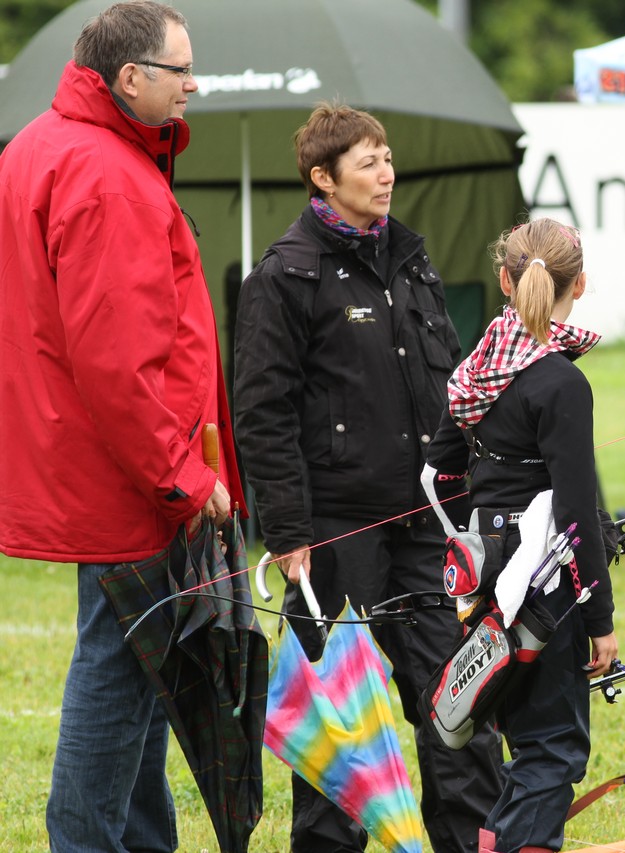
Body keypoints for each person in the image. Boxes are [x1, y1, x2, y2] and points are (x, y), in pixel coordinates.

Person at [0, 2, 242, 850]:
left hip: (87, 462)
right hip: (128, 473)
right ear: (130, 77)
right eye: (181, 72)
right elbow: (117, 361)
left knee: (140, 668)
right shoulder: (103, 172)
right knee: (118, 672)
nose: (193, 87)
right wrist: (182, 472)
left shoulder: (41, 144)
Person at [233, 102, 502, 853]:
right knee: (339, 722)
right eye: (367, 162)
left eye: (387, 157)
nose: (386, 173)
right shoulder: (286, 276)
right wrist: (288, 533)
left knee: (459, 705)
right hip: (333, 535)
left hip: (426, 527)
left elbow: (452, 382)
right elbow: (262, 412)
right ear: (323, 178)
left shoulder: (412, 258)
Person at [426, 217, 617, 853]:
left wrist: (482, 538)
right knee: (553, 750)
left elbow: (440, 469)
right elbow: (576, 514)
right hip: (541, 585)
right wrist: (601, 621)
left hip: (483, 571)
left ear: (504, 281)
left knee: (523, 743)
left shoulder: (483, 363)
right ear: (580, 284)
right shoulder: (561, 380)